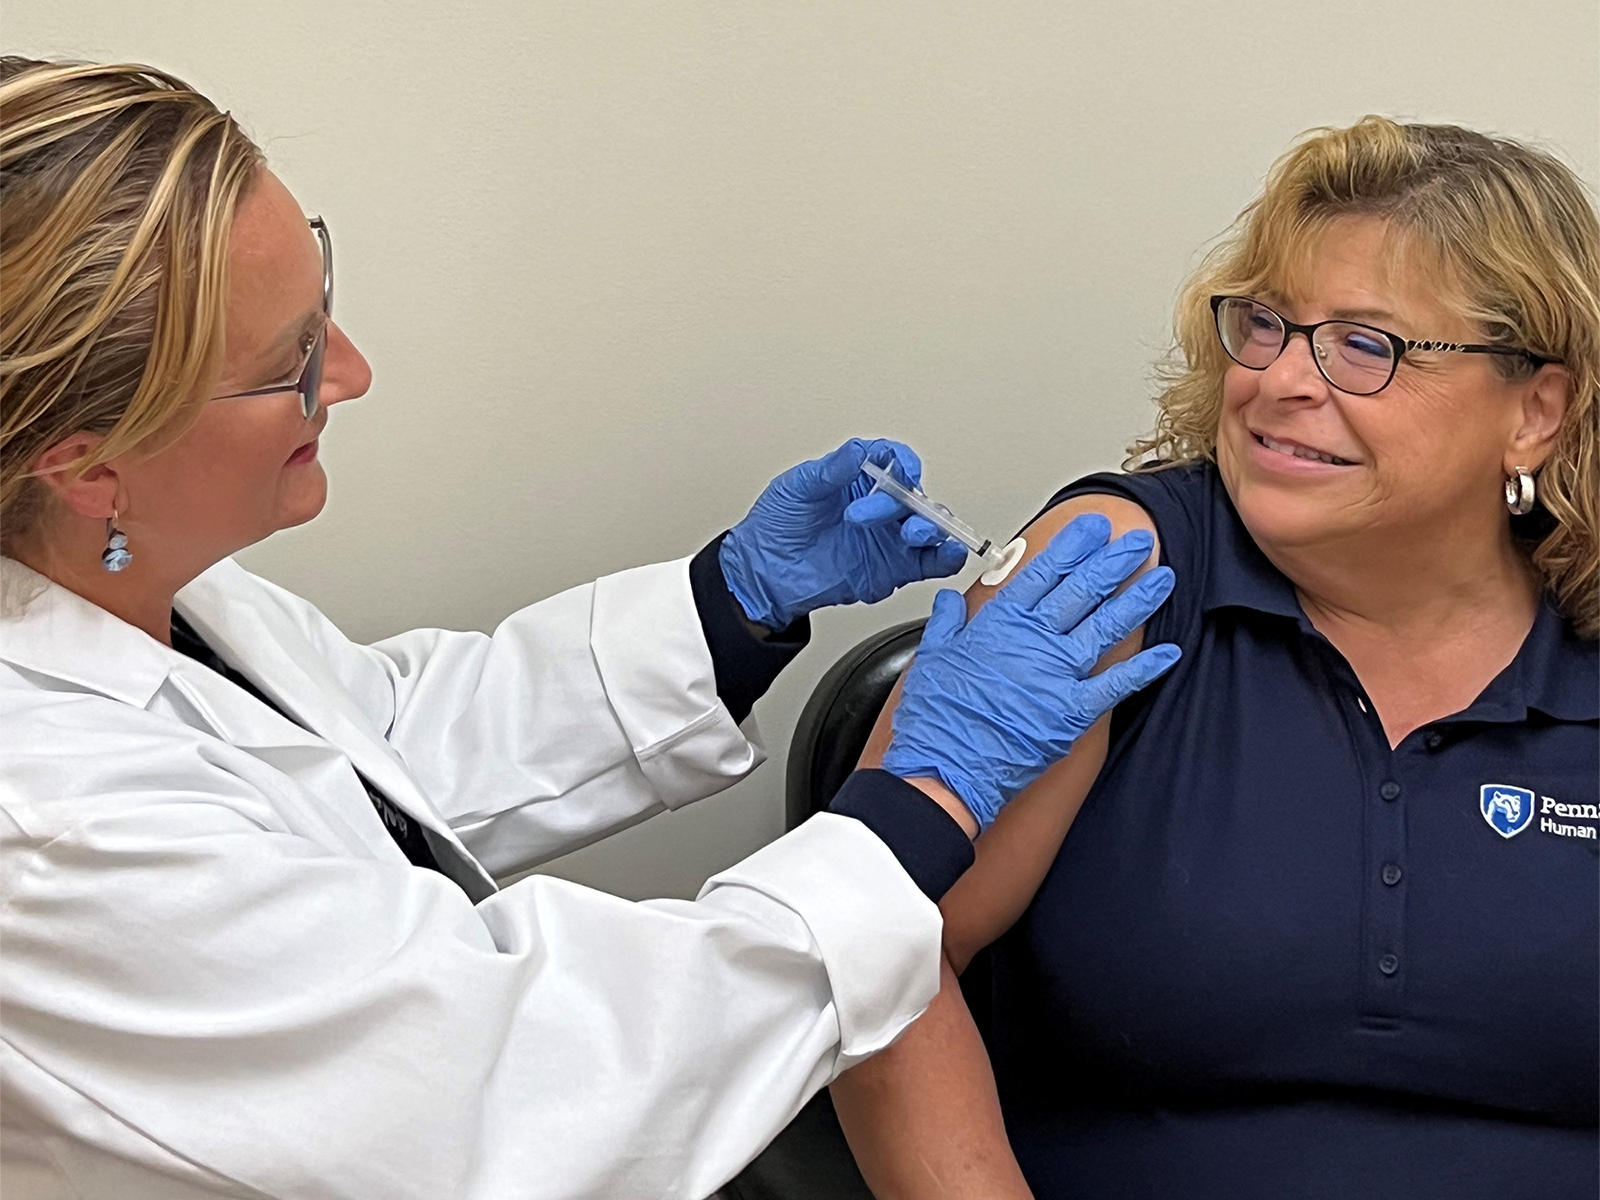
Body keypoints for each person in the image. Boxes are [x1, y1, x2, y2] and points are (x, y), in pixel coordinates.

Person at [0, 58, 1182, 1200]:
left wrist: (737, 598)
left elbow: (379, 757)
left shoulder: (149, 589)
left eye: (326, 307)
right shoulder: (51, 831)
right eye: (292, 363)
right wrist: (925, 794)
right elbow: (526, 1085)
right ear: (88, 466)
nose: (351, 373)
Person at [832, 116, 1600, 1199]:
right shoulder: (1115, 573)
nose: (1282, 378)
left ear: (1536, 410)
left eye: (1365, 344)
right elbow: (875, 949)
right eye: (1269, 326)